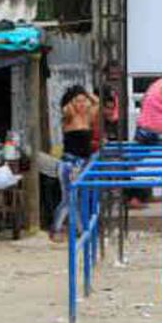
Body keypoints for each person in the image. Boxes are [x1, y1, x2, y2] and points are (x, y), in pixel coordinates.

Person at [53, 85, 99, 241]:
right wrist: (74, 98)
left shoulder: (87, 117)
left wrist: (87, 95)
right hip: (69, 163)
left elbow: (97, 103)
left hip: (82, 163)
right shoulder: (70, 115)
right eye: (77, 102)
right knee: (67, 198)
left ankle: (82, 230)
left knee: (78, 199)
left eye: (83, 101)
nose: (81, 104)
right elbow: (66, 108)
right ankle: (56, 229)